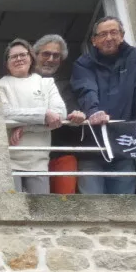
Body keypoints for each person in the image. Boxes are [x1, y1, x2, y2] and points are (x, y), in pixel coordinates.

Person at [71, 17, 136, 195]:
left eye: (113, 32)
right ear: (94, 41)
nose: (109, 38)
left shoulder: (135, 57)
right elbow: (86, 90)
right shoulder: (83, 63)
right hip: (92, 142)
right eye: (103, 34)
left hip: (124, 142)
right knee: (92, 201)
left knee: (124, 198)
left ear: (122, 35)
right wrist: (94, 112)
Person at [0, 38, 82, 194]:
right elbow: (4, 114)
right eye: (13, 56)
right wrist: (43, 114)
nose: (19, 59)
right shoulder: (0, 85)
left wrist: (25, 126)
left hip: (39, 161)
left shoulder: (46, 83)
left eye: (23, 55)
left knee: (40, 210)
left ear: (31, 58)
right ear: (7, 62)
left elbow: (60, 115)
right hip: (9, 161)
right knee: (13, 212)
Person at [33, 33, 88, 192]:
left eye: (56, 55)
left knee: (65, 205)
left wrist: (77, 115)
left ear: (61, 60)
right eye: (46, 54)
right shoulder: (23, 82)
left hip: (61, 152)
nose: (50, 59)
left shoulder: (66, 86)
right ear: (35, 55)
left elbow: (72, 113)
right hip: (30, 155)